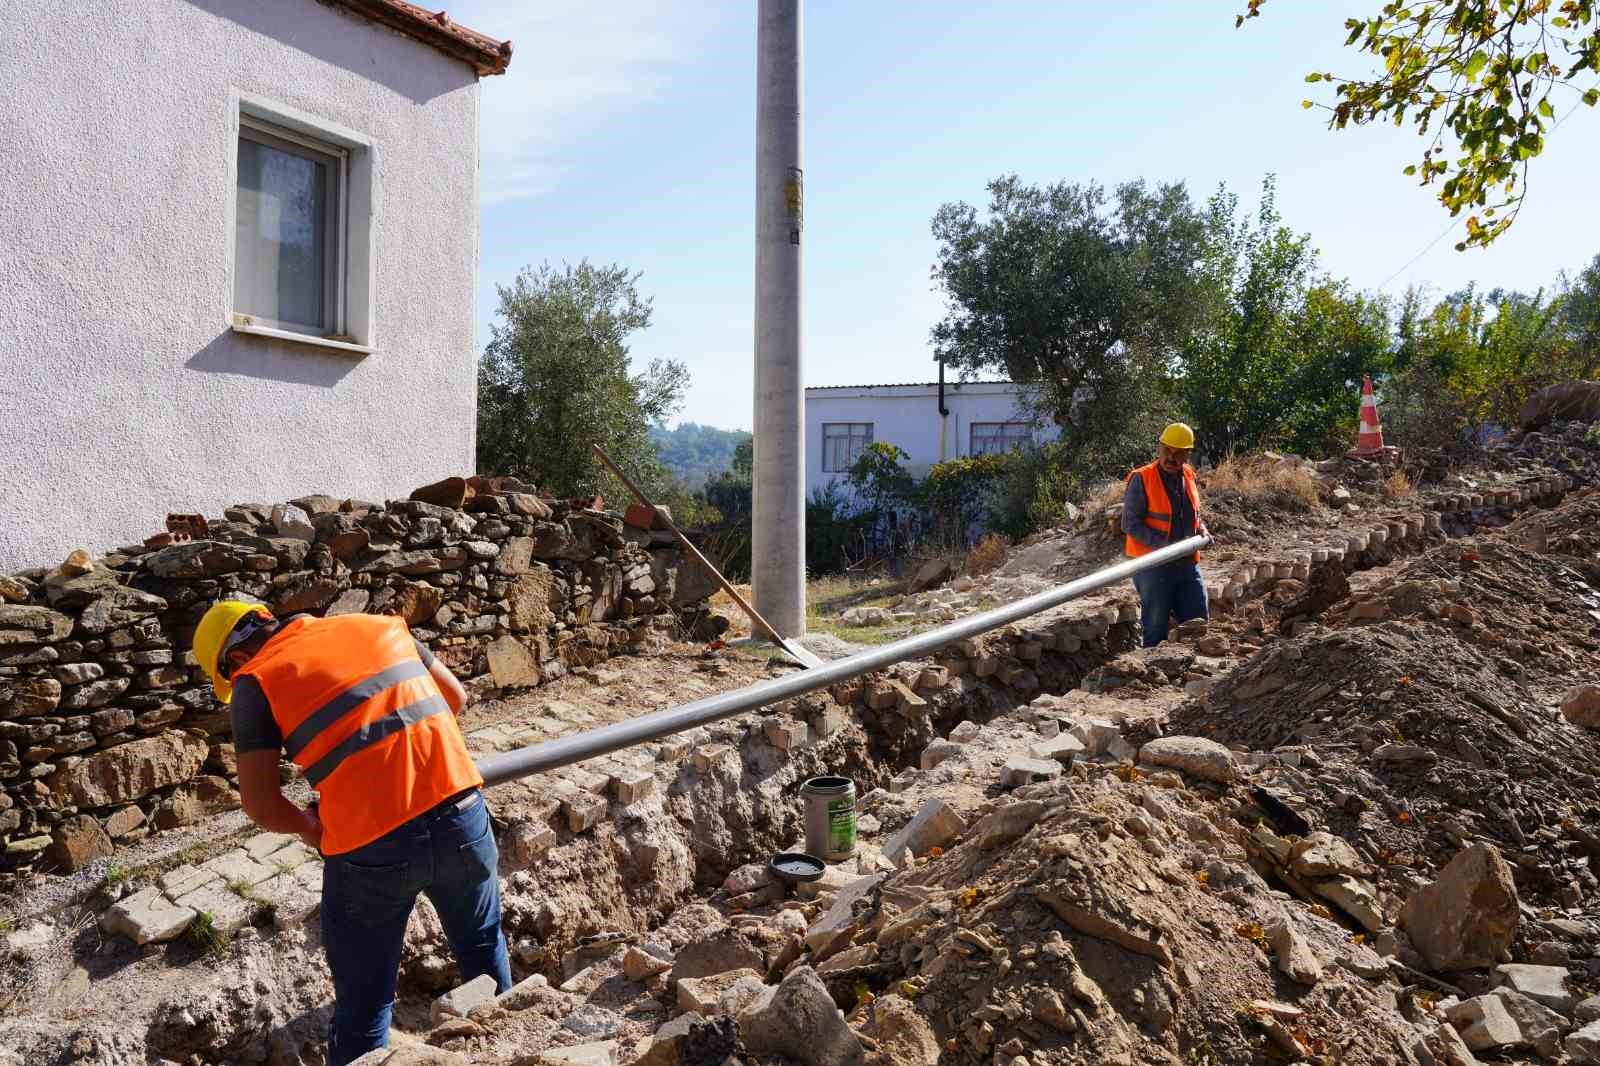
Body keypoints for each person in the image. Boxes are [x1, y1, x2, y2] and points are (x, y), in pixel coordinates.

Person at [192, 602, 511, 1066]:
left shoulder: (256, 680)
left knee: (366, 999)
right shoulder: (379, 625)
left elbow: (260, 803)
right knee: (483, 947)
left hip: (369, 850)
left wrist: (310, 828)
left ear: (234, 661)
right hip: (461, 813)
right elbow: (455, 699)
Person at [1122, 422, 1210, 647]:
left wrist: (1201, 529)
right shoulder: (1142, 478)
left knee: (1197, 621)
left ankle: (1192, 673)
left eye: (1178, 453)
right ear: (1159, 448)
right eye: (1167, 450)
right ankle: (1153, 677)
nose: (1171, 457)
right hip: (1152, 565)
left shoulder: (1188, 474)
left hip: (1186, 563)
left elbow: (1193, 513)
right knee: (1155, 627)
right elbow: (1130, 523)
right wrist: (1164, 546)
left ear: (1188, 454)